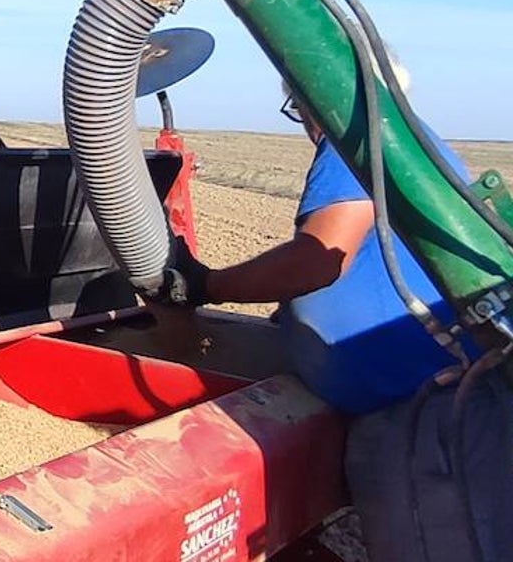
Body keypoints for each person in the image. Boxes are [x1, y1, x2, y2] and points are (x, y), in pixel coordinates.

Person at [147, 64, 513, 562]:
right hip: (429, 400)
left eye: (299, 108)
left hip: (425, 414)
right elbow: (370, 257)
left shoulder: (360, 135)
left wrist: (205, 285)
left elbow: (320, 258)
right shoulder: (401, 142)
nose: (304, 124)